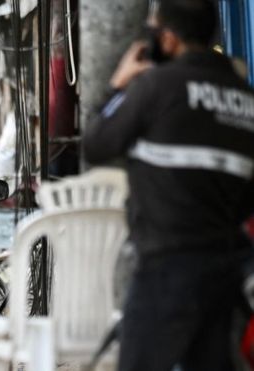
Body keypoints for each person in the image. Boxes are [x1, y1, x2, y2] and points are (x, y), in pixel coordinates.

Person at [82, 1, 254, 370]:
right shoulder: (245, 98)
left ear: (169, 39)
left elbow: (97, 144)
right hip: (222, 277)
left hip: (165, 271)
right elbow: (246, 199)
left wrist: (117, 85)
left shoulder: (156, 87)